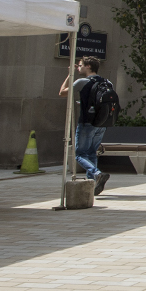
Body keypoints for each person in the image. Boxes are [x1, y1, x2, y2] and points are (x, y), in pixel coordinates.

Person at [57, 56, 111, 195]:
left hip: (86, 122)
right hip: (102, 123)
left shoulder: (82, 82)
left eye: (80, 65)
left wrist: (70, 75)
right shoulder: (107, 82)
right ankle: (92, 185)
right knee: (92, 153)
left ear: (88, 67)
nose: (78, 67)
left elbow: (62, 93)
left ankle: (97, 173)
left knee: (80, 154)